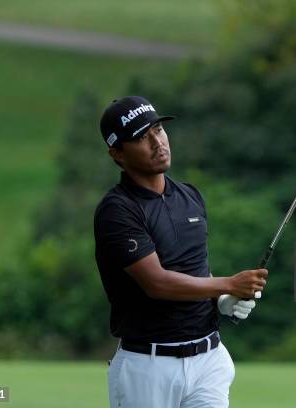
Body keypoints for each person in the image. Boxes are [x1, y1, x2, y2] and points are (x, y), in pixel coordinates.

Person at [94, 96, 268, 408]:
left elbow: (198, 270)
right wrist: (229, 284)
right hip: (147, 367)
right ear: (117, 154)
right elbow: (157, 283)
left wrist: (223, 301)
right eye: (141, 137)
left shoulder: (189, 196)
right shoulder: (117, 210)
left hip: (208, 361)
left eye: (158, 130)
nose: (157, 142)